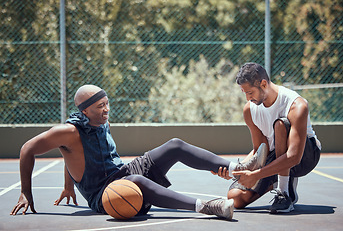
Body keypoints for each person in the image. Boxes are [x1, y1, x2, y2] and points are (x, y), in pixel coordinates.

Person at [10, 84, 267, 220]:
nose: (107, 109)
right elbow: (27, 148)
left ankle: (240, 169)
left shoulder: (101, 121)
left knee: (174, 145)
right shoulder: (67, 131)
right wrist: (25, 192)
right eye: (100, 106)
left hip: (122, 172)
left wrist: (68, 186)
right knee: (135, 181)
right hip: (103, 193)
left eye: (107, 104)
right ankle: (207, 207)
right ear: (84, 110)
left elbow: (71, 155)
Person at [224, 63, 321, 214]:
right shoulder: (250, 110)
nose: (247, 98)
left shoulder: (296, 104)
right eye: (244, 93)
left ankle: (284, 192)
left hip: (305, 157)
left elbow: (294, 157)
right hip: (275, 155)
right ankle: (278, 180)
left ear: (263, 84)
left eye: (250, 93)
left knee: (280, 125)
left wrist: (255, 175)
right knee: (236, 198)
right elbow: (260, 150)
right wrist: (237, 169)